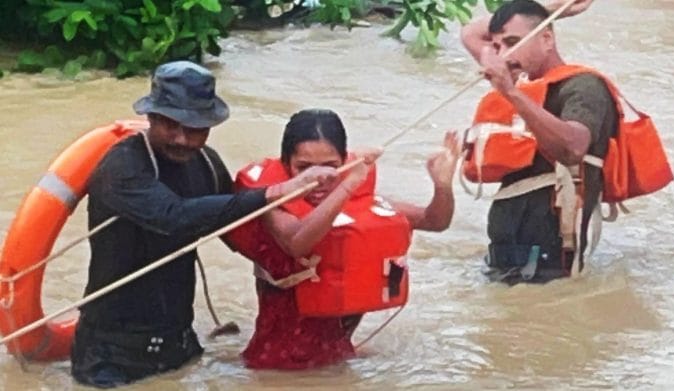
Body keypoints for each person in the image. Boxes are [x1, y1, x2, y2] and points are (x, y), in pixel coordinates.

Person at [70, 61, 335, 388]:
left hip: (180, 347)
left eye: (195, 128)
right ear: (151, 117)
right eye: (170, 124)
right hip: (111, 358)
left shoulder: (208, 165)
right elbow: (174, 216)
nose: (182, 139)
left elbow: (242, 233)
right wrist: (276, 191)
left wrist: (318, 238)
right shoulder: (123, 166)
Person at [225, 109, 459, 369]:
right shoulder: (273, 205)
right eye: (304, 168)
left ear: (345, 162)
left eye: (330, 167)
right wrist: (347, 185)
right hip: (276, 368)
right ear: (285, 164)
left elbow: (434, 221)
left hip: (339, 357)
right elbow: (297, 242)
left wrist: (443, 185)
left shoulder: (355, 202)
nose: (319, 179)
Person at [459, 0, 619, 283]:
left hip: (550, 264)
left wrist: (509, 92)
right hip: (505, 255)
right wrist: (549, 8)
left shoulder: (583, 86)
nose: (503, 55)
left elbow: (572, 148)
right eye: (496, 48)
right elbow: (471, 33)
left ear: (547, 39)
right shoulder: (519, 83)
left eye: (512, 42)